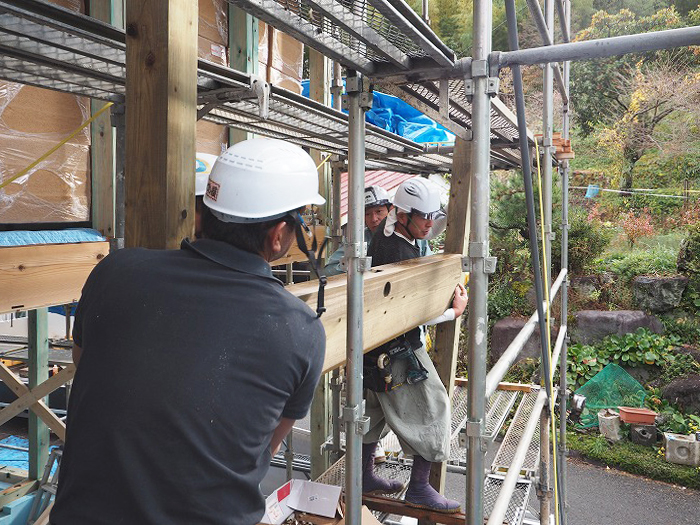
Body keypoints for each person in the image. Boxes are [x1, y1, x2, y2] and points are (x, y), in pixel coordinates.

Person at [50, 138, 327, 525]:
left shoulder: (115, 271)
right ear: (278, 235)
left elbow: (86, 362)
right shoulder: (301, 330)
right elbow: (263, 444)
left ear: (203, 214)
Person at [362, 177, 467, 513]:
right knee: (435, 407)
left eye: (431, 215)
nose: (428, 223)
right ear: (402, 213)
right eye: (422, 216)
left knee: (374, 411)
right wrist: (452, 311)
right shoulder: (399, 251)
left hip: (374, 344)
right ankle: (420, 488)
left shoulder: (388, 232)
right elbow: (409, 314)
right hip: (397, 349)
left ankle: (364, 475)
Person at [325, 182, 447, 276]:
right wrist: (356, 265)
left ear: (390, 211)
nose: (374, 219)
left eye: (379, 211)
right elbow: (328, 271)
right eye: (367, 214)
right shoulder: (357, 241)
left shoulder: (416, 237)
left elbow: (428, 263)